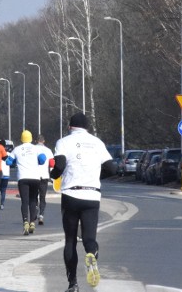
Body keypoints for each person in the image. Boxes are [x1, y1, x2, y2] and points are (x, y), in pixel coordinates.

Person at [51, 112, 116, 292]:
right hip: (92, 195)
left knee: (70, 240)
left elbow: (60, 166)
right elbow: (112, 168)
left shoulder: (63, 142)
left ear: (70, 127)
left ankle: (73, 284)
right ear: (87, 127)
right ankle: (92, 253)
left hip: (71, 195)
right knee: (89, 238)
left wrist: (53, 175)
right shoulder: (97, 143)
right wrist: (96, 176)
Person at [13, 130, 46, 235]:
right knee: (33, 200)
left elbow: (9, 161)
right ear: (31, 138)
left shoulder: (17, 149)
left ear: (21, 139)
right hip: (35, 178)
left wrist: (16, 161)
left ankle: (25, 222)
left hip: (23, 178)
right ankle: (32, 222)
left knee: (24, 201)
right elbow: (42, 159)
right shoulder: (36, 149)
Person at [35, 134, 53, 225]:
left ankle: (34, 209)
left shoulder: (33, 149)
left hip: (34, 176)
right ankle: (41, 215)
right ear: (44, 141)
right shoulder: (49, 151)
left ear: (36, 141)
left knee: (34, 195)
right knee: (42, 197)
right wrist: (52, 177)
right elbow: (52, 164)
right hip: (44, 177)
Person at [0, 139, 12, 209]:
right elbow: (11, 163)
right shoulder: (9, 154)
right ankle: (2, 204)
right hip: (6, 174)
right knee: (3, 190)